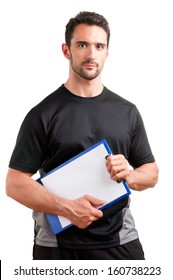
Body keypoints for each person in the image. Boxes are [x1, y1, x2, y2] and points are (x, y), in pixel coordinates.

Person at [6, 11, 158, 260]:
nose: (91, 54)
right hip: (57, 246)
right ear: (67, 51)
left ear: (107, 53)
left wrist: (128, 175)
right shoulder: (43, 114)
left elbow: (151, 173)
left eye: (99, 46)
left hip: (120, 241)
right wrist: (66, 207)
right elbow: (14, 184)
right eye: (82, 45)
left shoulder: (127, 111)